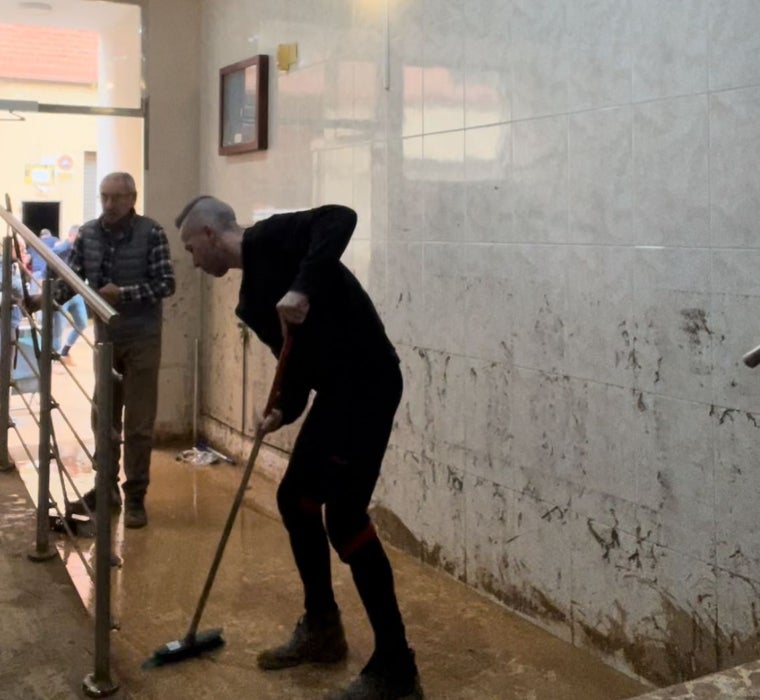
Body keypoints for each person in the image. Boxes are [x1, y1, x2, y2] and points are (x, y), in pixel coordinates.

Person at [175, 197, 423, 700]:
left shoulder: (270, 237)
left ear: (207, 233)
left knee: (346, 518)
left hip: (370, 381)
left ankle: (397, 667)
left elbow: (341, 218)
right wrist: (281, 410)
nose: (194, 263)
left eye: (191, 249)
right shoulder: (249, 302)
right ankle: (323, 627)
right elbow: (300, 372)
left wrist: (302, 288)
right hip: (336, 393)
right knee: (296, 499)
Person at [44, 172, 176, 529]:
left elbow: (166, 284)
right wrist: (40, 301)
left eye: (116, 198)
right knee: (103, 417)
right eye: (104, 197)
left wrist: (124, 293)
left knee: (138, 424)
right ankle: (105, 490)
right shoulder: (87, 234)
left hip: (143, 338)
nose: (109, 205)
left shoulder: (152, 233)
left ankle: (135, 497)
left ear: (132, 198)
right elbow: (70, 282)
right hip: (106, 339)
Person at [52, 224, 88, 365]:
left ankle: (65, 351)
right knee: (59, 328)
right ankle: (54, 360)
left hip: (76, 293)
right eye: (79, 237)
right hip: (62, 292)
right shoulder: (58, 250)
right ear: (71, 236)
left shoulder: (81, 252)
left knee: (82, 323)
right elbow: (47, 269)